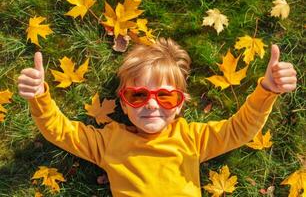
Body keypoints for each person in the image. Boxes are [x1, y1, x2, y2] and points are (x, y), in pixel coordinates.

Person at [17, 38, 297, 196]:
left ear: (179, 106)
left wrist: (267, 91)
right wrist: (39, 94)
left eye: (165, 97)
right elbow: (60, 131)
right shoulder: (108, 141)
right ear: (124, 105)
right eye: (138, 96)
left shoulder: (192, 137)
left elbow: (240, 130)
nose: (151, 105)